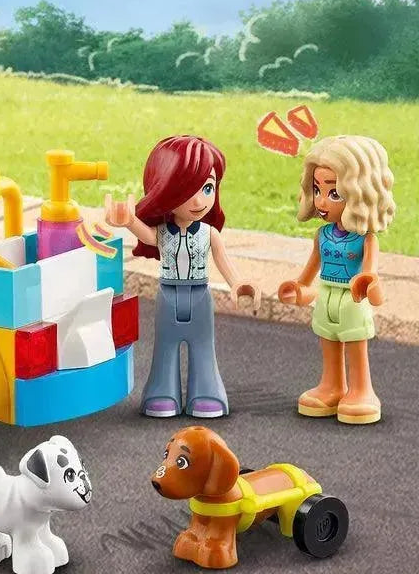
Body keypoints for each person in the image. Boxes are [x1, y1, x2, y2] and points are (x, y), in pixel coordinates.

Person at [105, 135, 260, 418]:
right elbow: (147, 236)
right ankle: (162, 391)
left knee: (203, 347)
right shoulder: (163, 233)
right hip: (168, 295)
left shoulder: (209, 234)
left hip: (200, 296)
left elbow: (223, 260)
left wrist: (237, 283)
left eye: (207, 188)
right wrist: (129, 221)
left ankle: (207, 392)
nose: (199, 200)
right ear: (165, 191)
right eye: (186, 191)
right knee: (165, 345)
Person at [278, 135, 395, 424]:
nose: (321, 201)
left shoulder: (365, 239)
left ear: (360, 193)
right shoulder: (322, 235)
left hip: (352, 299)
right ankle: (332, 386)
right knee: (328, 342)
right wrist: (299, 289)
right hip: (326, 295)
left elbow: (370, 273)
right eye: (317, 190)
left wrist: (368, 284)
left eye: (334, 193)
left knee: (355, 347)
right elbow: (309, 272)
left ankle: (362, 390)